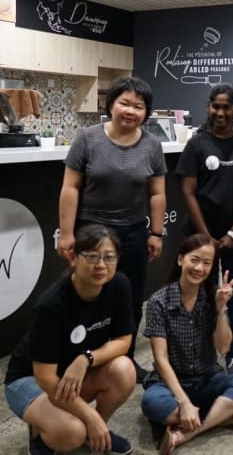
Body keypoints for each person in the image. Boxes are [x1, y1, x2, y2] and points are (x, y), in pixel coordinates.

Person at [58, 76, 166, 381]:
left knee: (129, 298)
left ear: (146, 112)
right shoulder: (88, 139)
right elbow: (70, 188)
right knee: (85, 293)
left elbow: (157, 194)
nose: (130, 110)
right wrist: (67, 234)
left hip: (132, 233)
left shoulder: (152, 145)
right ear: (111, 105)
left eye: (138, 105)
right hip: (91, 231)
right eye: (124, 103)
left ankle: (125, 361)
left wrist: (156, 233)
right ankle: (78, 358)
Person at [4, 225, 136, 455]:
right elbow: (44, 378)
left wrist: (86, 359)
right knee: (70, 433)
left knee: (125, 370)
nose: (101, 265)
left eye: (109, 257)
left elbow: (124, 340)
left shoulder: (119, 285)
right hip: (30, 380)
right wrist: (90, 415)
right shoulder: (51, 305)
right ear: (73, 258)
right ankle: (43, 431)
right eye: (92, 257)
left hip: (73, 374)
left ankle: (96, 434)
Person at [141, 234, 233, 454]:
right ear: (180, 260)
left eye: (207, 263)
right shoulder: (159, 301)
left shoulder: (212, 297)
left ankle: (185, 433)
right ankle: (220, 417)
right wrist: (184, 402)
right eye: (194, 260)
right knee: (151, 402)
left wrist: (222, 309)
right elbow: (160, 359)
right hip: (169, 384)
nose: (199, 268)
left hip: (207, 380)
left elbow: (223, 348)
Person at [175, 83, 233, 365]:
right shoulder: (196, 144)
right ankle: (202, 350)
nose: (221, 112)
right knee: (200, 294)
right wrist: (205, 237)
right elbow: (188, 192)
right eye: (216, 106)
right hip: (201, 237)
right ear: (208, 107)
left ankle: (232, 351)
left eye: (227, 107)